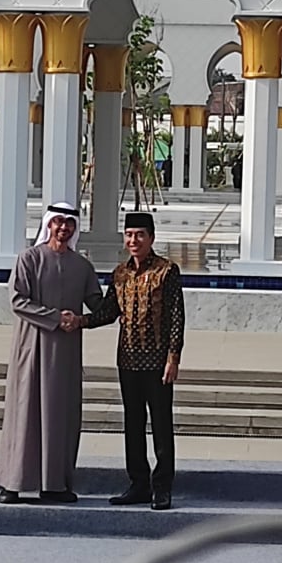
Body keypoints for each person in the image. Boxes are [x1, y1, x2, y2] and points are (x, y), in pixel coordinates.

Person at [0, 202, 104, 505]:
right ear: (48, 225)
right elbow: (18, 300)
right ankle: (13, 483)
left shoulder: (82, 266)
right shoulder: (29, 259)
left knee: (60, 416)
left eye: (69, 223)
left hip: (65, 355)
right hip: (31, 349)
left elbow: (98, 303)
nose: (63, 228)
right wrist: (57, 318)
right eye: (58, 222)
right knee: (24, 412)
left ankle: (54, 484)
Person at [75, 211, 185, 511]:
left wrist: (173, 357)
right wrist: (80, 321)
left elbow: (176, 317)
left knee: (161, 425)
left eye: (140, 235)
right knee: (133, 424)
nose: (133, 240)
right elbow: (108, 312)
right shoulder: (120, 274)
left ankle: (162, 487)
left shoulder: (167, 271)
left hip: (157, 361)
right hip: (128, 360)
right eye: (129, 235)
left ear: (151, 238)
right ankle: (138, 483)